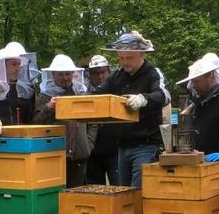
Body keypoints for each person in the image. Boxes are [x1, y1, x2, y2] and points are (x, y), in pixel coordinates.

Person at [94, 31, 169, 187]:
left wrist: (143, 99)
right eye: (121, 58)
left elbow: (164, 95)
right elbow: (98, 94)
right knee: (124, 195)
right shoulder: (117, 76)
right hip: (122, 146)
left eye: (129, 58)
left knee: (138, 192)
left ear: (141, 54)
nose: (125, 62)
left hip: (146, 145)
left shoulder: (153, 73)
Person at [176, 53, 219, 165]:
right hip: (201, 161)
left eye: (197, 81)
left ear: (211, 76)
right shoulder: (199, 101)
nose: (193, 85)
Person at [34, 54, 92, 187]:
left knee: (76, 197)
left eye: (67, 73)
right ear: (53, 75)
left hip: (79, 156)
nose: (65, 77)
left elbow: (93, 121)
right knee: (55, 197)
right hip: (54, 155)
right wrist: (49, 107)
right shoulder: (45, 97)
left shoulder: (81, 94)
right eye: (60, 74)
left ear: (73, 73)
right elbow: (35, 124)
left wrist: (88, 144)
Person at [84, 55, 119, 185]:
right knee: (96, 195)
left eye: (103, 72)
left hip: (115, 151)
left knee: (119, 190)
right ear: (90, 75)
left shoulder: (117, 94)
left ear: (109, 72)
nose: (100, 76)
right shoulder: (85, 95)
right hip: (93, 154)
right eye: (96, 73)